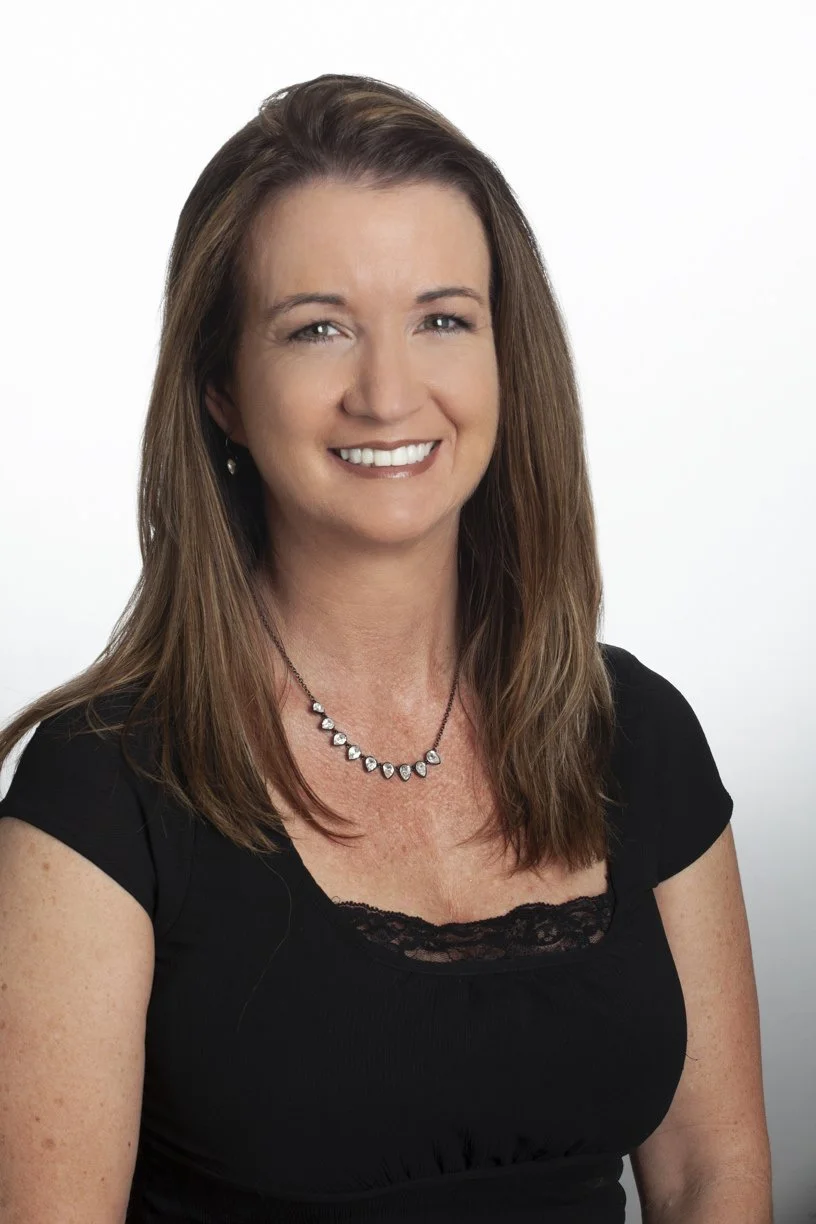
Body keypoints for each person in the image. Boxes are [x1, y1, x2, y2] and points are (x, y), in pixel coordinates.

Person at [0, 73, 772, 1223]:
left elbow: (714, 1178)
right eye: (318, 328)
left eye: (443, 319)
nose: (388, 390)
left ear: (509, 360)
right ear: (220, 387)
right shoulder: (100, 790)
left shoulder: (635, 735)